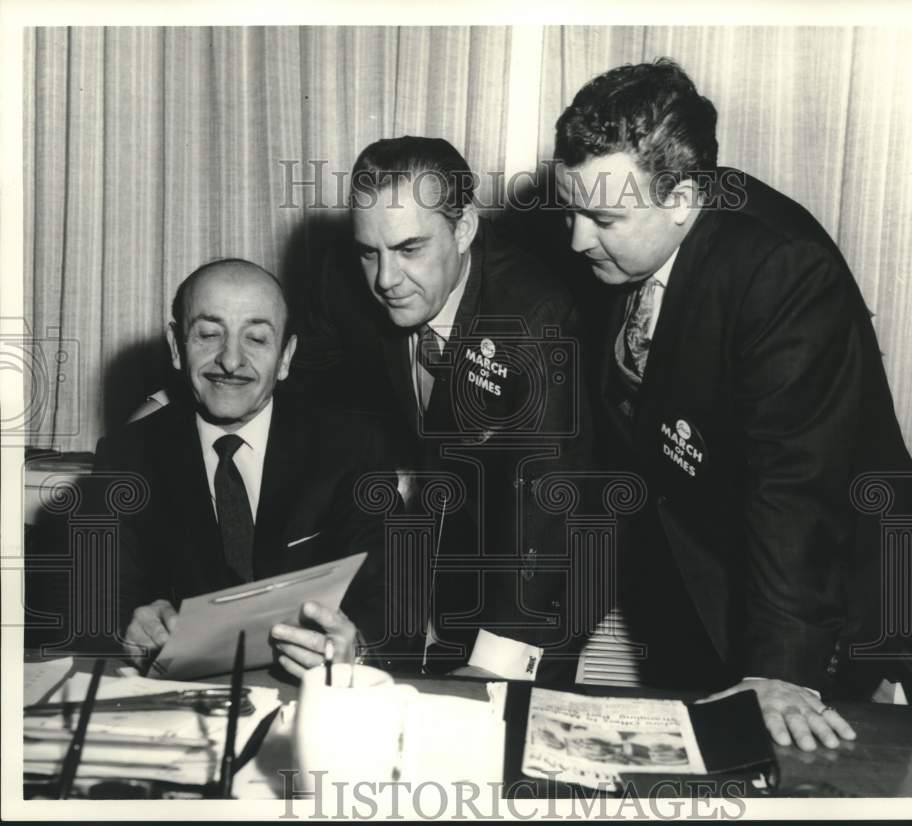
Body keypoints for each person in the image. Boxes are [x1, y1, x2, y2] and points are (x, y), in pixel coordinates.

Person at [553, 60, 912, 750]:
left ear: (684, 198)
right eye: (571, 210)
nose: (577, 239)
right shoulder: (620, 254)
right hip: (696, 577)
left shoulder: (781, 270)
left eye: (603, 217)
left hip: (823, 604)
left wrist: (781, 671)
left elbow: (797, 485)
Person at [281, 136, 598, 683]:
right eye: (370, 252)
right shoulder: (347, 281)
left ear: (465, 228)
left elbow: (552, 507)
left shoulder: (535, 320)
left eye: (409, 249)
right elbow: (302, 371)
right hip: (436, 536)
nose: (385, 279)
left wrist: (494, 663)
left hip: (541, 560)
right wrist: (173, 398)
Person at [91, 258, 394, 673]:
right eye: (209, 334)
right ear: (177, 347)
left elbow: (396, 601)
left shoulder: (351, 448)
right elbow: (98, 605)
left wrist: (355, 651)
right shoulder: (125, 459)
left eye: (255, 338)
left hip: (312, 697)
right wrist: (127, 628)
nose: (230, 360)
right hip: (181, 704)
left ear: (286, 357)